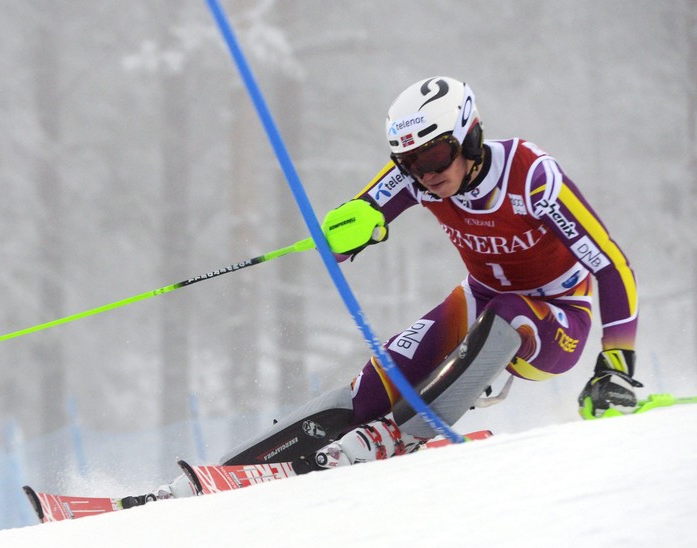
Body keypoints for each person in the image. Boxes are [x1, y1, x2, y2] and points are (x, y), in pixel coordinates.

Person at [133, 76, 640, 503]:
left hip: (556, 319)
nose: (426, 174)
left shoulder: (532, 177)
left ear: (470, 137)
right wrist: (348, 232)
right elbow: (355, 223)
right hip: (478, 299)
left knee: (508, 310)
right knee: (374, 386)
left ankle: (398, 435)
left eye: (436, 155)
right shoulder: (417, 178)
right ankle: (206, 480)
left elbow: (611, 265)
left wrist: (615, 363)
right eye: (410, 162)